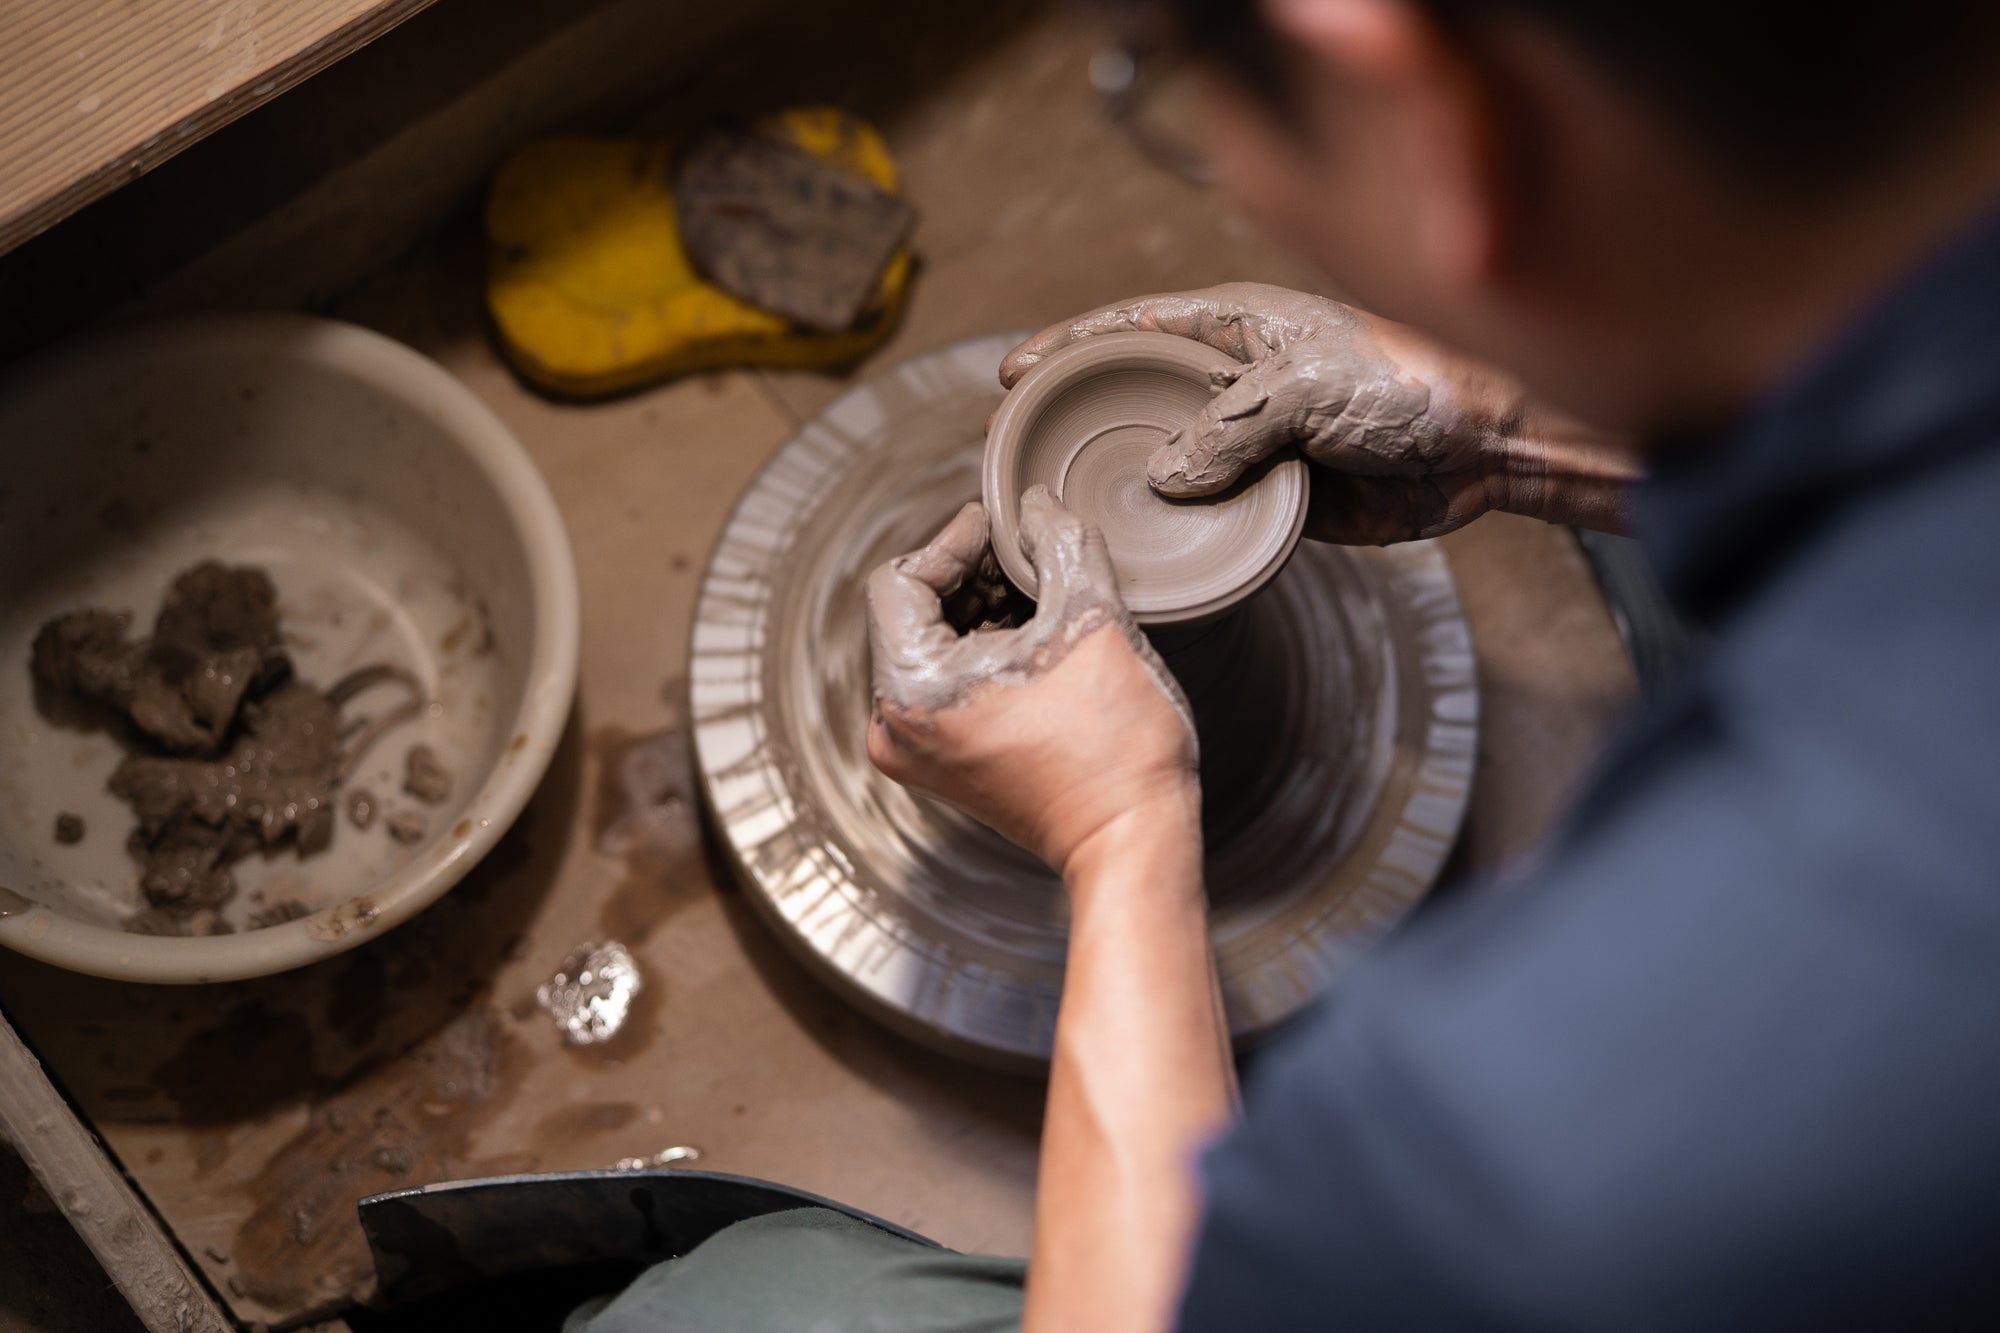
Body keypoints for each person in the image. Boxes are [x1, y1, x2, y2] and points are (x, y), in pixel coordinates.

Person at [572, 1, 2000, 1329]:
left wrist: (1120, 828)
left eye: (1173, 87)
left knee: (720, 1306)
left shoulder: (1542, 1113)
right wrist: (1514, 434)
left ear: (1441, 117)